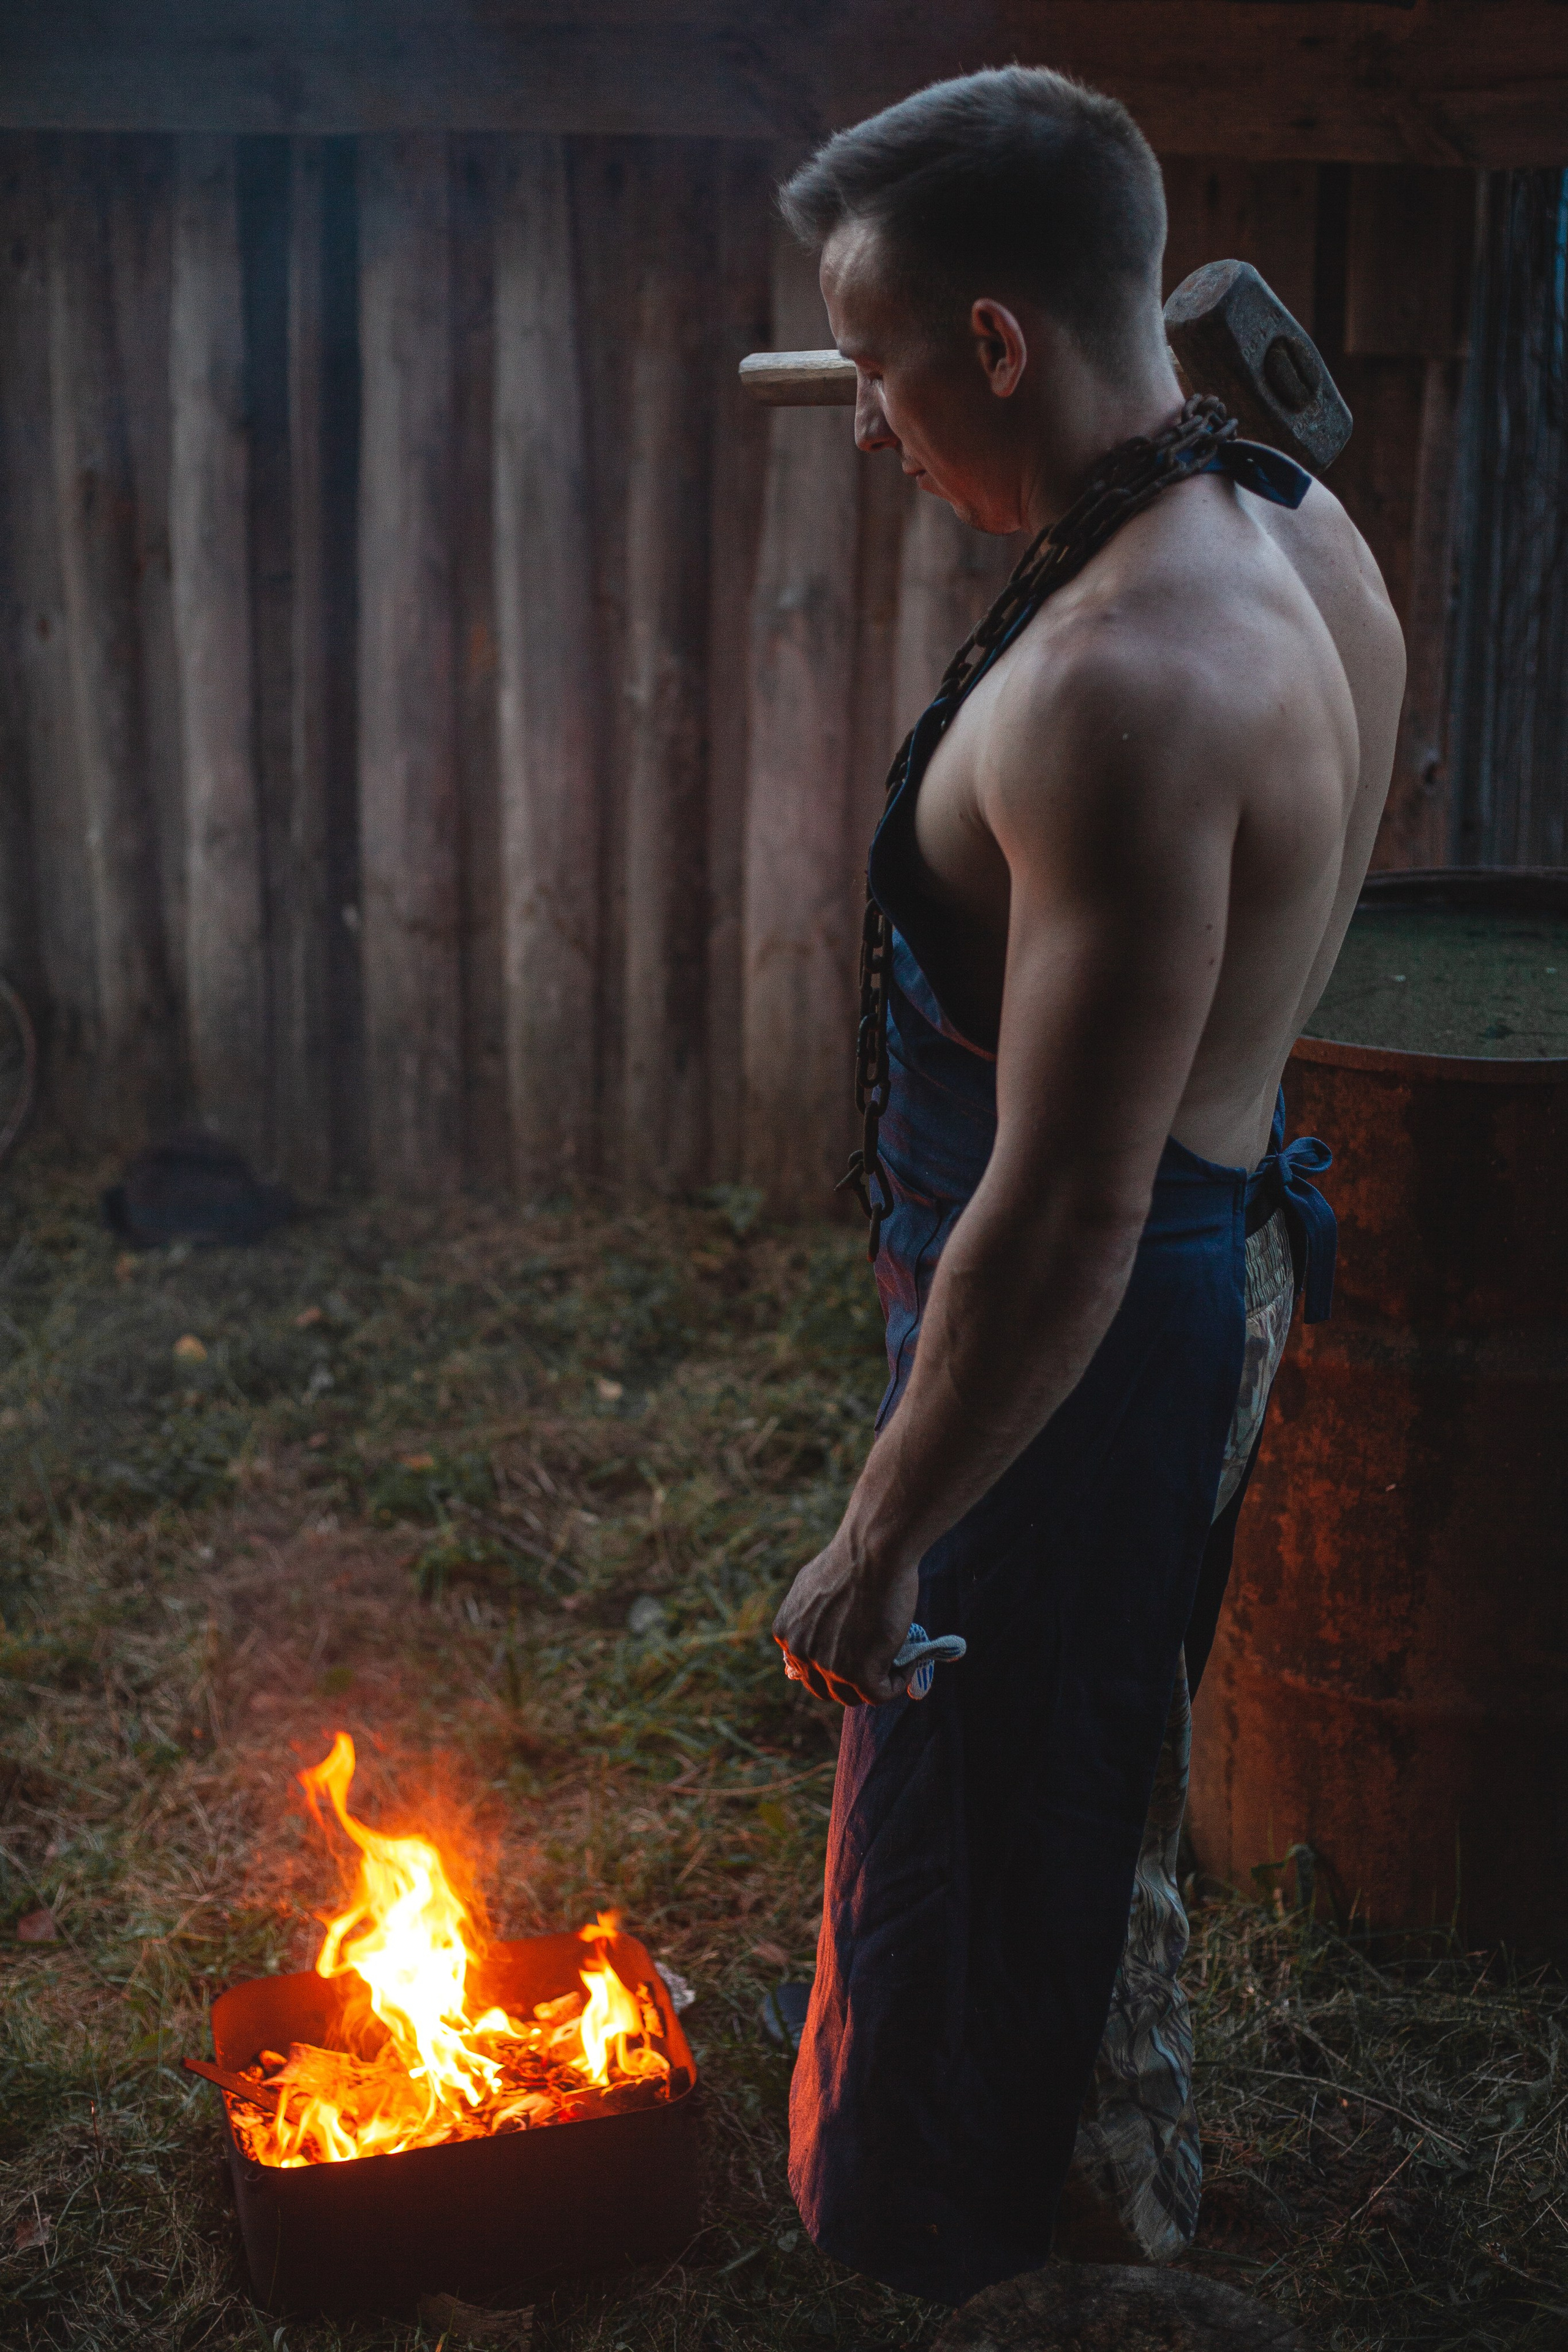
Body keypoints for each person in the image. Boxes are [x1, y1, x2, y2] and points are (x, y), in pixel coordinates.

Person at [769, 66, 1404, 2307]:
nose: (867, 419)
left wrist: (880, 1539)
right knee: (1101, 1781)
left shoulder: (1128, 684)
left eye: (880, 364)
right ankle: (1097, 2163)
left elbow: (1060, 1214)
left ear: (1005, 343)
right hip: (1202, 1268)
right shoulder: (1291, 523)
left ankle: (967, 2247)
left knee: (982, 1805)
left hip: (1090, 1327)